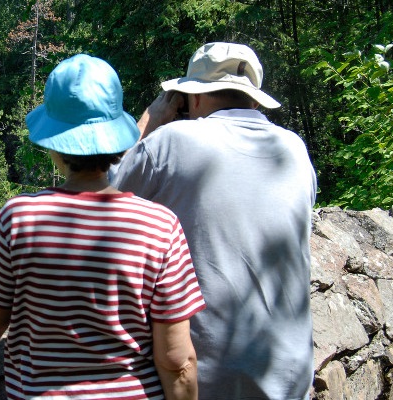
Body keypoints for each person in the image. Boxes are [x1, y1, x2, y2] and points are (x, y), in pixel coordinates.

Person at [0, 54, 206, 400]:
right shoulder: (161, 226)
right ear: (116, 137)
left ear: (54, 143)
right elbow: (178, 361)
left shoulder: (19, 217)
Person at [111, 42, 317, 400]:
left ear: (193, 98)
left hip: (205, 379)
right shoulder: (295, 150)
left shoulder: (172, 140)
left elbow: (103, 198)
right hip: (290, 374)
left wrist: (151, 121)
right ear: (254, 99)